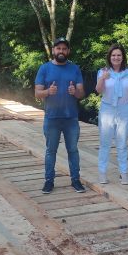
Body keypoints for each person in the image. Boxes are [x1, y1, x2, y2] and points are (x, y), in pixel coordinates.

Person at [35, 37, 86, 194]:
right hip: (51, 118)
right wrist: (48, 92)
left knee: (73, 150)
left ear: (68, 51)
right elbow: (37, 93)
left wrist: (75, 92)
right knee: (51, 151)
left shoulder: (75, 69)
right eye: (58, 49)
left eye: (64, 49)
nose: (61, 51)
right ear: (53, 51)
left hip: (71, 118)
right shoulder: (44, 68)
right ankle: (49, 181)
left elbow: (82, 93)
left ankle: (76, 180)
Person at [96, 44, 128, 185]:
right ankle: (102, 173)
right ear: (109, 57)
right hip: (107, 109)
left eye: (119, 55)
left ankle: (124, 173)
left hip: (124, 109)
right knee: (105, 143)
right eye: (113, 55)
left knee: (122, 143)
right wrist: (103, 78)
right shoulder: (103, 72)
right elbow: (98, 90)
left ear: (123, 57)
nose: (116, 57)